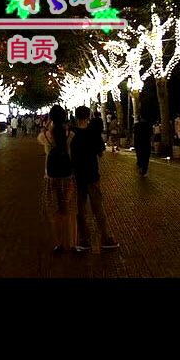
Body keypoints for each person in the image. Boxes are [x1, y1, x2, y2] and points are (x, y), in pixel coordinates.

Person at [69, 106, 119, 252]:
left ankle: (84, 240)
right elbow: (101, 153)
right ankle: (106, 238)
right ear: (88, 117)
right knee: (98, 207)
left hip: (77, 175)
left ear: (76, 117)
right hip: (92, 174)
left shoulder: (71, 134)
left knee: (80, 209)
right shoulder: (94, 133)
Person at [40, 104, 76, 253]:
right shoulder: (70, 134)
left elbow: (40, 136)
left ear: (51, 118)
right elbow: (71, 153)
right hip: (67, 174)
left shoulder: (45, 136)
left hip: (52, 176)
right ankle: (72, 243)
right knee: (68, 209)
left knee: (55, 211)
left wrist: (47, 123)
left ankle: (59, 244)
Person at [133, 112, 152, 176]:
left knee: (140, 156)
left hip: (139, 143)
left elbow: (135, 135)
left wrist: (135, 143)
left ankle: (141, 168)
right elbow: (151, 134)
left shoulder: (136, 125)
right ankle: (144, 170)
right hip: (146, 143)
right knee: (146, 157)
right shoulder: (149, 125)